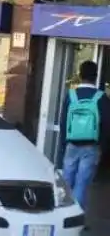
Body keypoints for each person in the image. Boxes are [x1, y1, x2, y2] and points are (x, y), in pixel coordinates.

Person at [60, 60, 110, 223]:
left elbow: (63, 122)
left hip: (71, 144)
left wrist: (63, 144)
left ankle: (62, 215)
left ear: (80, 75)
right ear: (96, 77)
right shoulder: (101, 98)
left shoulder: (71, 95)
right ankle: (74, 219)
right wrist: (103, 148)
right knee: (82, 183)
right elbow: (107, 125)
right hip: (91, 146)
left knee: (67, 181)